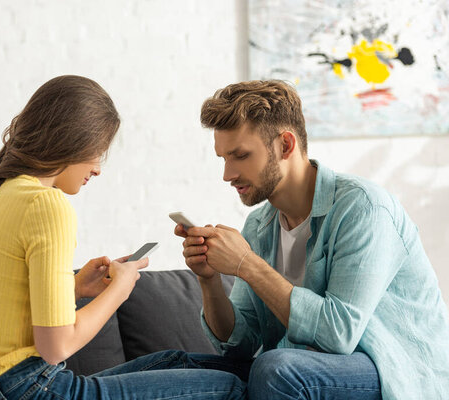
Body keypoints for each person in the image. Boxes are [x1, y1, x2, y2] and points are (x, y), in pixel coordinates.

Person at [0, 75, 248, 400]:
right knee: (228, 388)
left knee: (177, 363)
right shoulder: (45, 204)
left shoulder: (2, 195)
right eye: (98, 151)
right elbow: (55, 347)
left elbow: (1, 308)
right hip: (23, 389)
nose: (98, 168)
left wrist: (74, 289)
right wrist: (120, 289)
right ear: (73, 139)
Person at [174, 80, 449, 400]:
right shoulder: (260, 225)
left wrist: (246, 265)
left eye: (240, 156)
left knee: (276, 369)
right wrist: (208, 280)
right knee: (172, 364)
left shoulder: (364, 208)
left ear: (285, 146)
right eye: (223, 158)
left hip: (394, 370)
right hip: (297, 370)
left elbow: (338, 334)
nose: (228, 174)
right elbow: (241, 344)